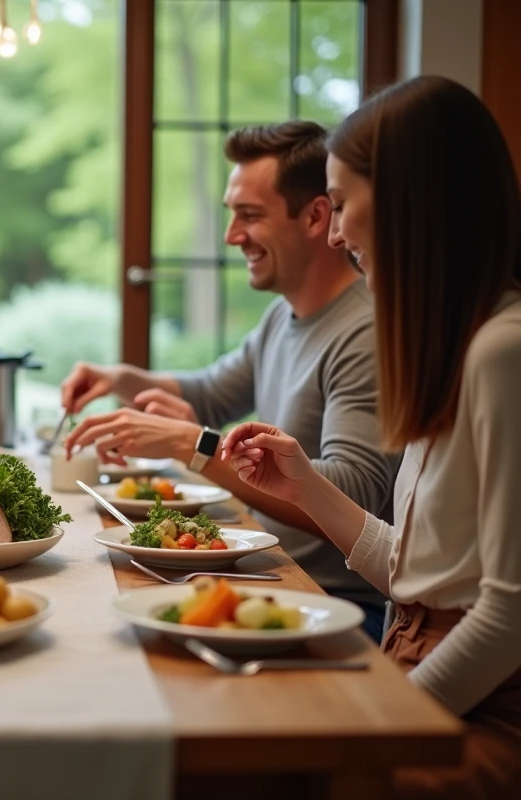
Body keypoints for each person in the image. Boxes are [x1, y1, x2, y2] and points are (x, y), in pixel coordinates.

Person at [221, 76, 521, 799]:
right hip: (416, 658)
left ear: (409, 206)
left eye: (344, 203)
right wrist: (305, 487)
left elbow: (510, 615)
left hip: (487, 709)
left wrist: (388, 718)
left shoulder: (502, 352)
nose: (335, 234)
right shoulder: (452, 347)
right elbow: (418, 574)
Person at [62, 121, 399, 640]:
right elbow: (211, 394)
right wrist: (119, 377)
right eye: (231, 214)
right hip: (272, 577)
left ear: (316, 217)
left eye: (250, 215)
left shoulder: (364, 331)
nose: (231, 235)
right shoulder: (284, 316)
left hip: (334, 604)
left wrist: (192, 445)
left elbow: (356, 492)